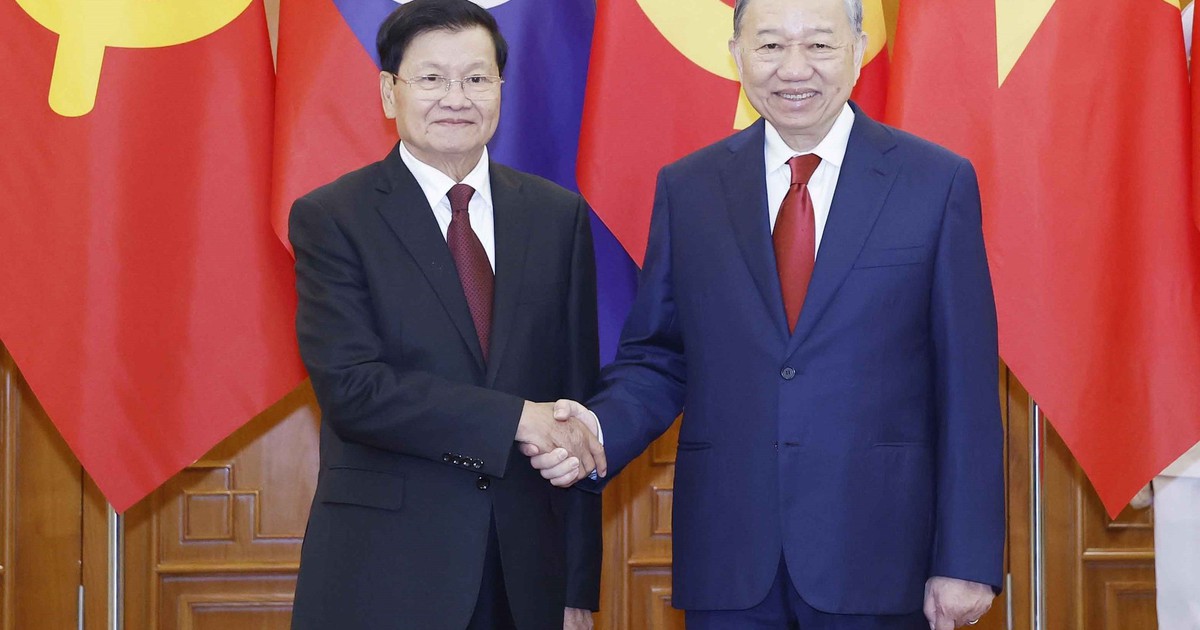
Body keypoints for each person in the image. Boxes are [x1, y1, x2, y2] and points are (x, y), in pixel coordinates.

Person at [529, 0, 1004, 627]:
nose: (794, 68)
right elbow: (660, 357)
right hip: (729, 556)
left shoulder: (935, 182)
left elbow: (967, 383)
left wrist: (966, 557)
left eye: (819, 45)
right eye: (771, 45)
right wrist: (594, 431)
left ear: (859, 50)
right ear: (737, 54)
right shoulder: (689, 187)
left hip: (880, 553)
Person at [287, 1, 606, 628]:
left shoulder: (556, 216)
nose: (456, 98)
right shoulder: (334, 218)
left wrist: (576, 586)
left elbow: (575, 405)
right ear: (390, 92)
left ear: (501, 89)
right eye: (432, 78)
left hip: (525, 575)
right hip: (386, 571)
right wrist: (517, 417)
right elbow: (353, 390)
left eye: (477, 78)